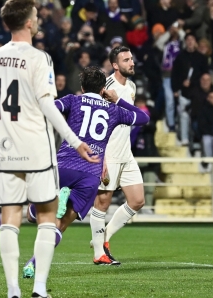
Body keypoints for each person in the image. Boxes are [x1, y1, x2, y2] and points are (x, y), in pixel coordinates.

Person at [0, 1, 98, 297]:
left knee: (10, 217)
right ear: (30, 22)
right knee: (47, 216)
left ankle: (12, 291)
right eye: (35, 15)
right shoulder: (39, 58)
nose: (38, 18)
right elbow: (47, 104)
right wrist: (75, 141)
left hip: (6, 150)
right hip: (36, 149)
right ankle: (40, 289)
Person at [22, 66, 150, 277]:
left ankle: (52, 200)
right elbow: (143, 118)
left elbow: (46, 109)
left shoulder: (73, 100)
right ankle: (32, 263)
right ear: (103, 89)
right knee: (60, 225)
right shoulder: (114, 110)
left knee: (32, 216)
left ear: (82, 87)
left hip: (63, 166)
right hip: (90, 174)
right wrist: (117, 100)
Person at [90, 46, 146, 265]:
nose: (131, 62)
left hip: (126, 154)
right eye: (126, 60)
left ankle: (104, 239)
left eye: (131, 58)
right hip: (109, 153)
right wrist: (100, 155)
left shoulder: (130, 87)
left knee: (137, 200)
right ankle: (99, 252)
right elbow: (98, 123)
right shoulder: (106, 88)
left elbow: (133, 117)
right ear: (115, 65)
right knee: (102, 203)